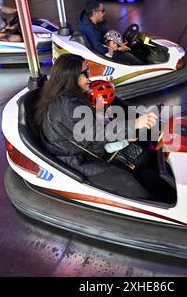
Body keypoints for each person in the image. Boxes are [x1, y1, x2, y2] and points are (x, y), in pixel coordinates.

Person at [35, 53, 159, 200]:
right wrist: (135, 124)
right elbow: (98, 133)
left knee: (145, 157)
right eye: (85, 72)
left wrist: (100, 112)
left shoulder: (71, 96)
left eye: (89, 71)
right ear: (71, 77)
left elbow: (90, 130)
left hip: (87, 147)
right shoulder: (67, 105)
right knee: (129, 183)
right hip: (76, 160)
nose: (90, 77)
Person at [77, 0, 143, 65]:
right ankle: (143, 67)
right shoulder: (88, 29)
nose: (104, 13)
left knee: (133, 49)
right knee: (127, 56)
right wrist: (117, 48)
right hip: (102, 56)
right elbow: (99, 48)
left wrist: (120, 43)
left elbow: (107, 35)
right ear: (95, 13)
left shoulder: (98, 22)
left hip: (107, 47)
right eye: (103, 11)